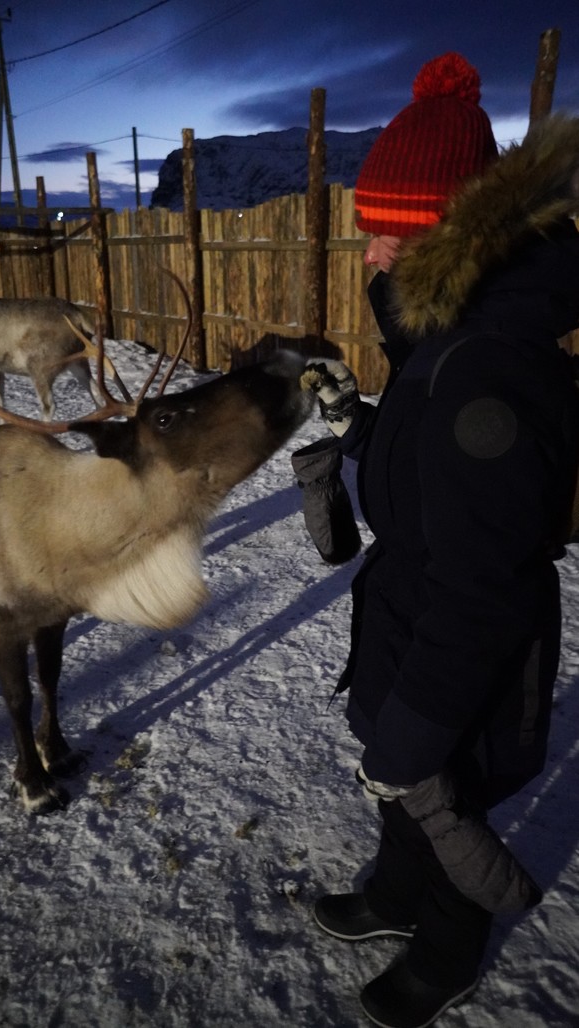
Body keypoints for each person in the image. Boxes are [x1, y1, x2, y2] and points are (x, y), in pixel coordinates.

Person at [291, 52, 579, 1028]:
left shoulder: (484, 372)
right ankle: (394, 892)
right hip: (410, 628)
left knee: (437, 791)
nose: (366, 255)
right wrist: (354, 427)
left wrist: (413, 733)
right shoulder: (443, 340)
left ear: (441, 242)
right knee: (401, 789)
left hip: (463, 664)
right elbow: (424, 483)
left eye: (383, 236)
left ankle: (449, 943)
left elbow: (480, 587)